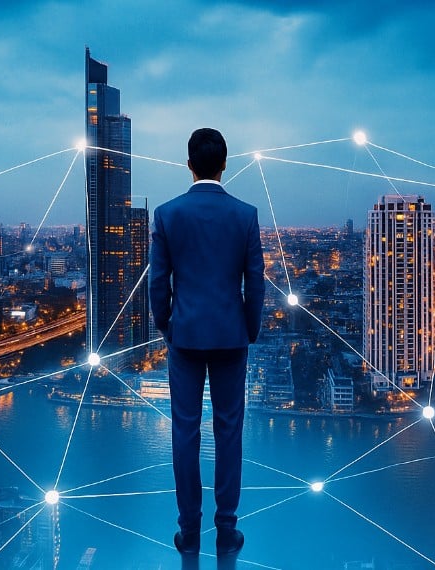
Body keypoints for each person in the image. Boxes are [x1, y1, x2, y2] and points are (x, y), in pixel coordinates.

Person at [149, 128, 265, 557]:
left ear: (189, 164)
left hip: (186, 337)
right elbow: (256, 283)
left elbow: (158, 283)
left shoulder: (167, 214)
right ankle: (226, 530)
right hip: (231, 337)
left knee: (185, 432)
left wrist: (168, 326)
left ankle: (189, 531)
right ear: (224, 164)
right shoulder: (245, 214)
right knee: (229, 432)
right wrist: (248, 329)